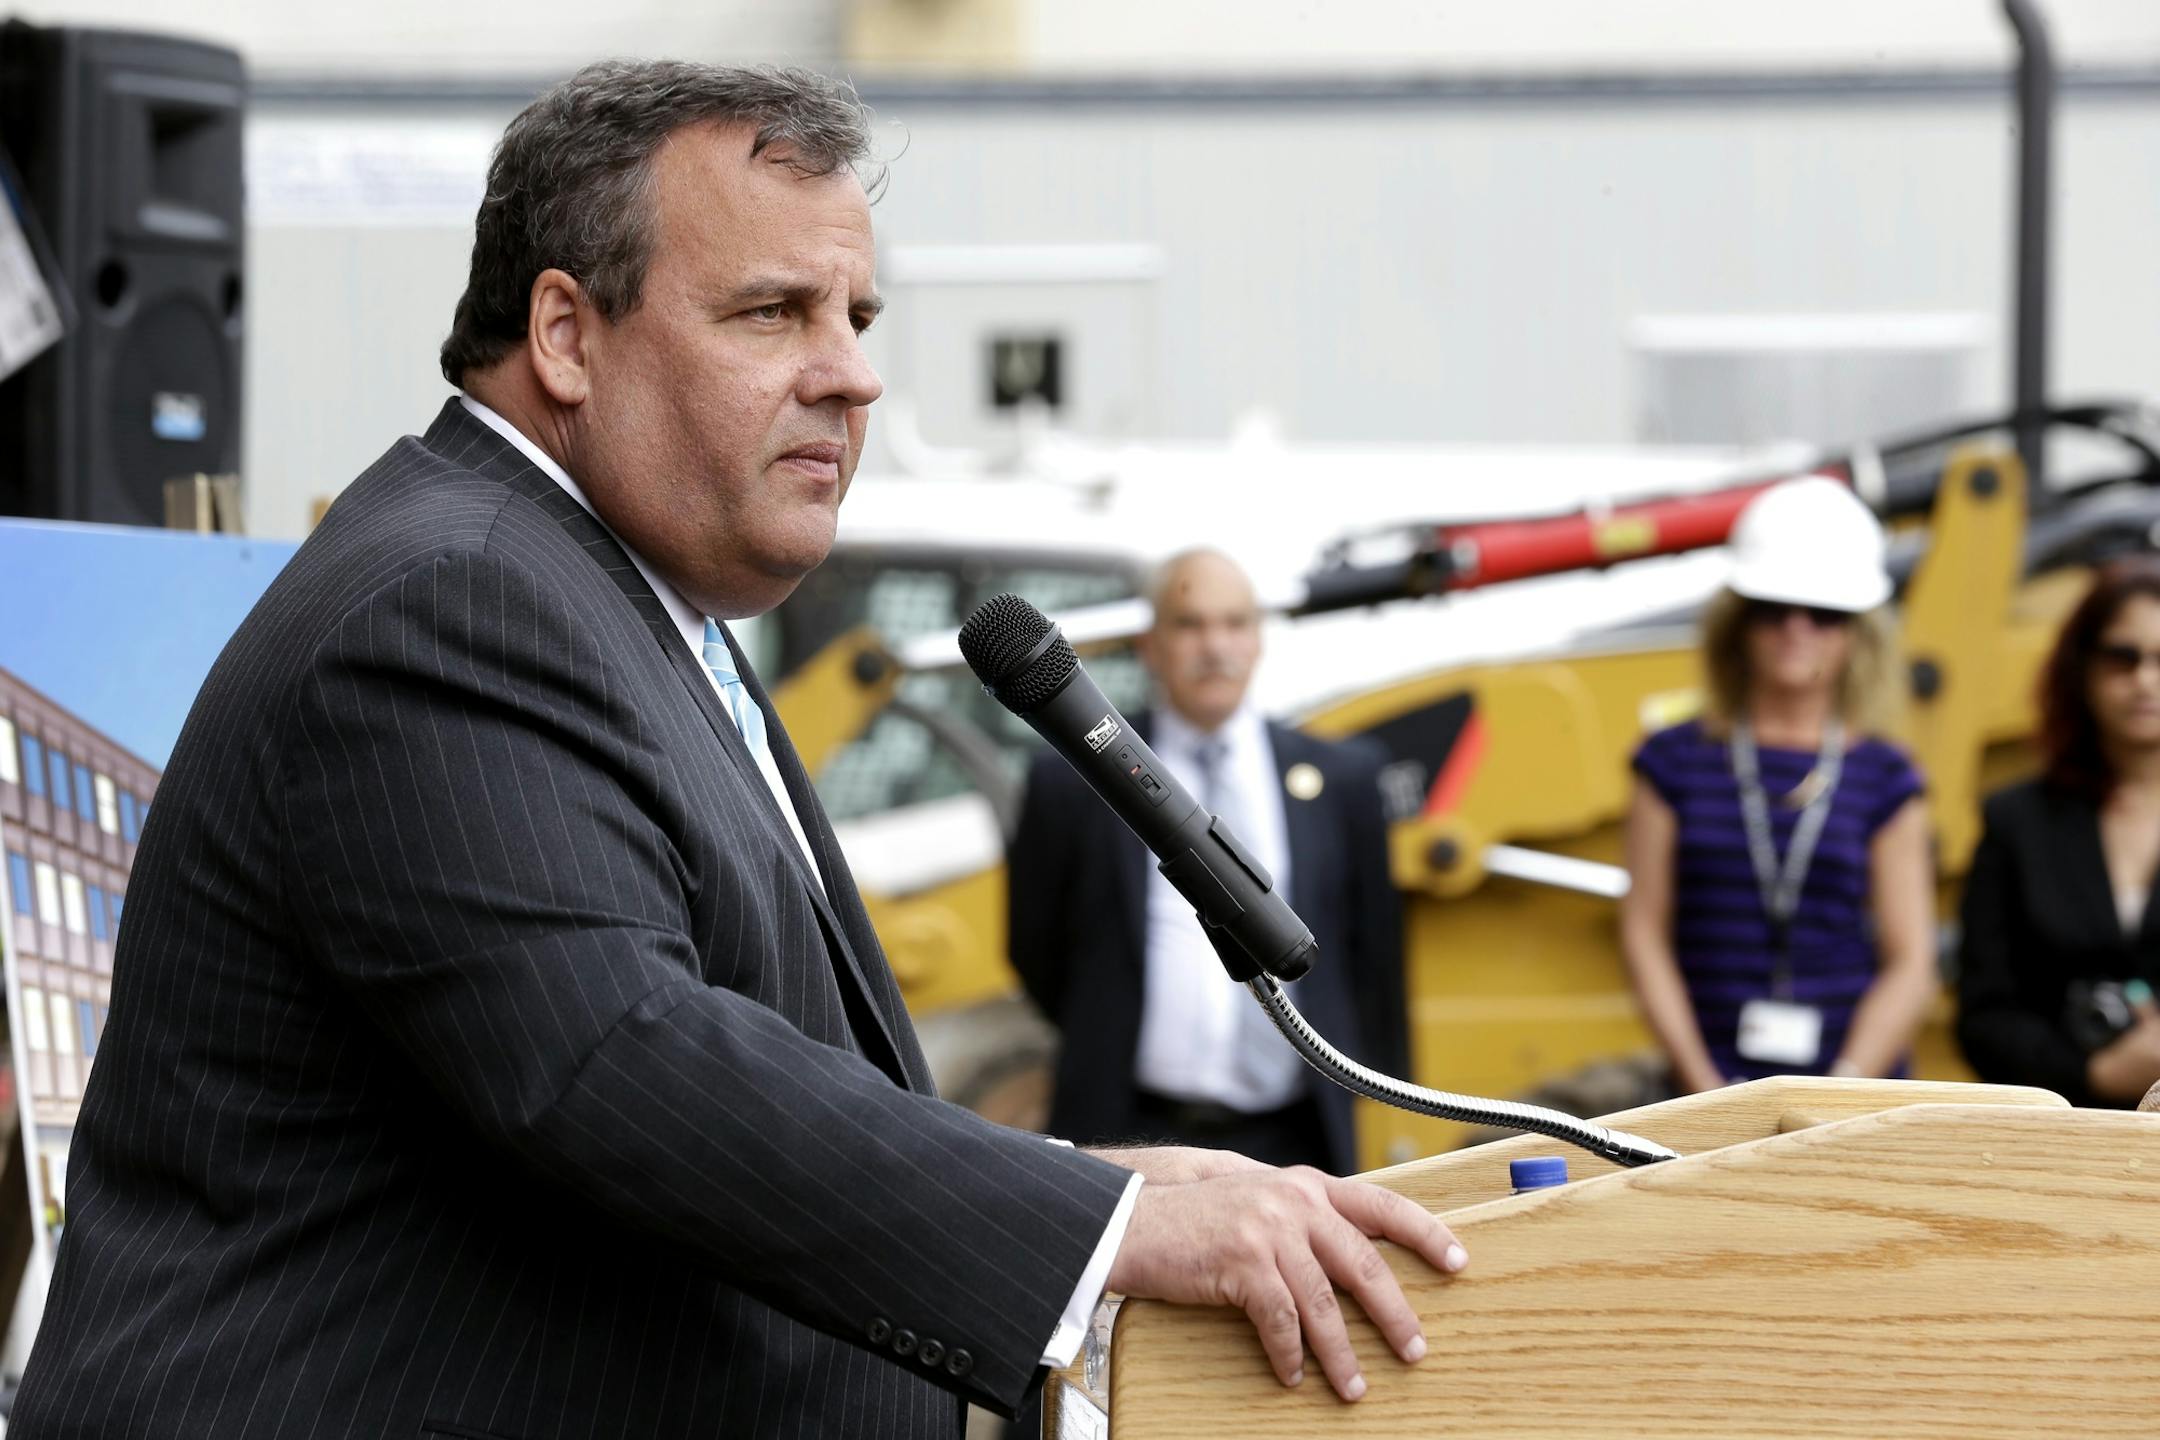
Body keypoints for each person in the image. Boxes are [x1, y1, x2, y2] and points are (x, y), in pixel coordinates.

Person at [8, 63, 1466, 1439]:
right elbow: (619, 1060)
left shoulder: (625, 599)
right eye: (774, 313)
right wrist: (1107, 1224)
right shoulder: (449, 601)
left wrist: (1076, 1181)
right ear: (569, 337)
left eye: (860, 319)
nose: (853, 379)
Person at [1009, 547, 1405, 1174]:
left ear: (1259, 639)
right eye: (1190, 624)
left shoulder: (1343, 777)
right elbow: (1036, 949)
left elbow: (1374, 952)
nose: (1214, 646)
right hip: (1129, 1132)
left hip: (1296, 1139)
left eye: (1235, 623)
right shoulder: (1068, 784)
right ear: (1149, 642)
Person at [1619, 477, 1937, 1092]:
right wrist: (1703, 1082)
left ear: (1856, 633)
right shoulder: (1671, 761)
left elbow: (1912, 963)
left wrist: (1841, 1090)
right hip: (1701, 1084)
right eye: (1773, 609)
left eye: (1825, 614)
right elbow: (1642, 932)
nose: (1797, 629)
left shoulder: (1887, 776)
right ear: (1739, 622)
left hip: (1853, 1093)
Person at [1958, 558, 2160, 1106]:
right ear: (2083, 670)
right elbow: (1984, 1014)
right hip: (2056, 1138)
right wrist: (2094, 1073)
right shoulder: (2016, 821)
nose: (2145, 679)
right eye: (2124, 658)